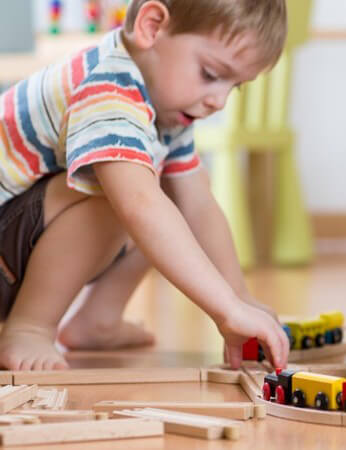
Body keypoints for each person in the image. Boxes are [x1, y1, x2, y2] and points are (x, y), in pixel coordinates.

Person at [0, 0, 290, 371]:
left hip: (16, 246)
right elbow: (139, 206)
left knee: (161, 192)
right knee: (127, 195)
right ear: (152, 26)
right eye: (211, 74)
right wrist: (225, 310)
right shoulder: (108, 89)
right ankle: (29, 326)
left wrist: (240, 297)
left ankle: (98, 319)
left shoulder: (166, 108)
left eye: (235, 87)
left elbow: (198, 204)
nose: (219, 101)